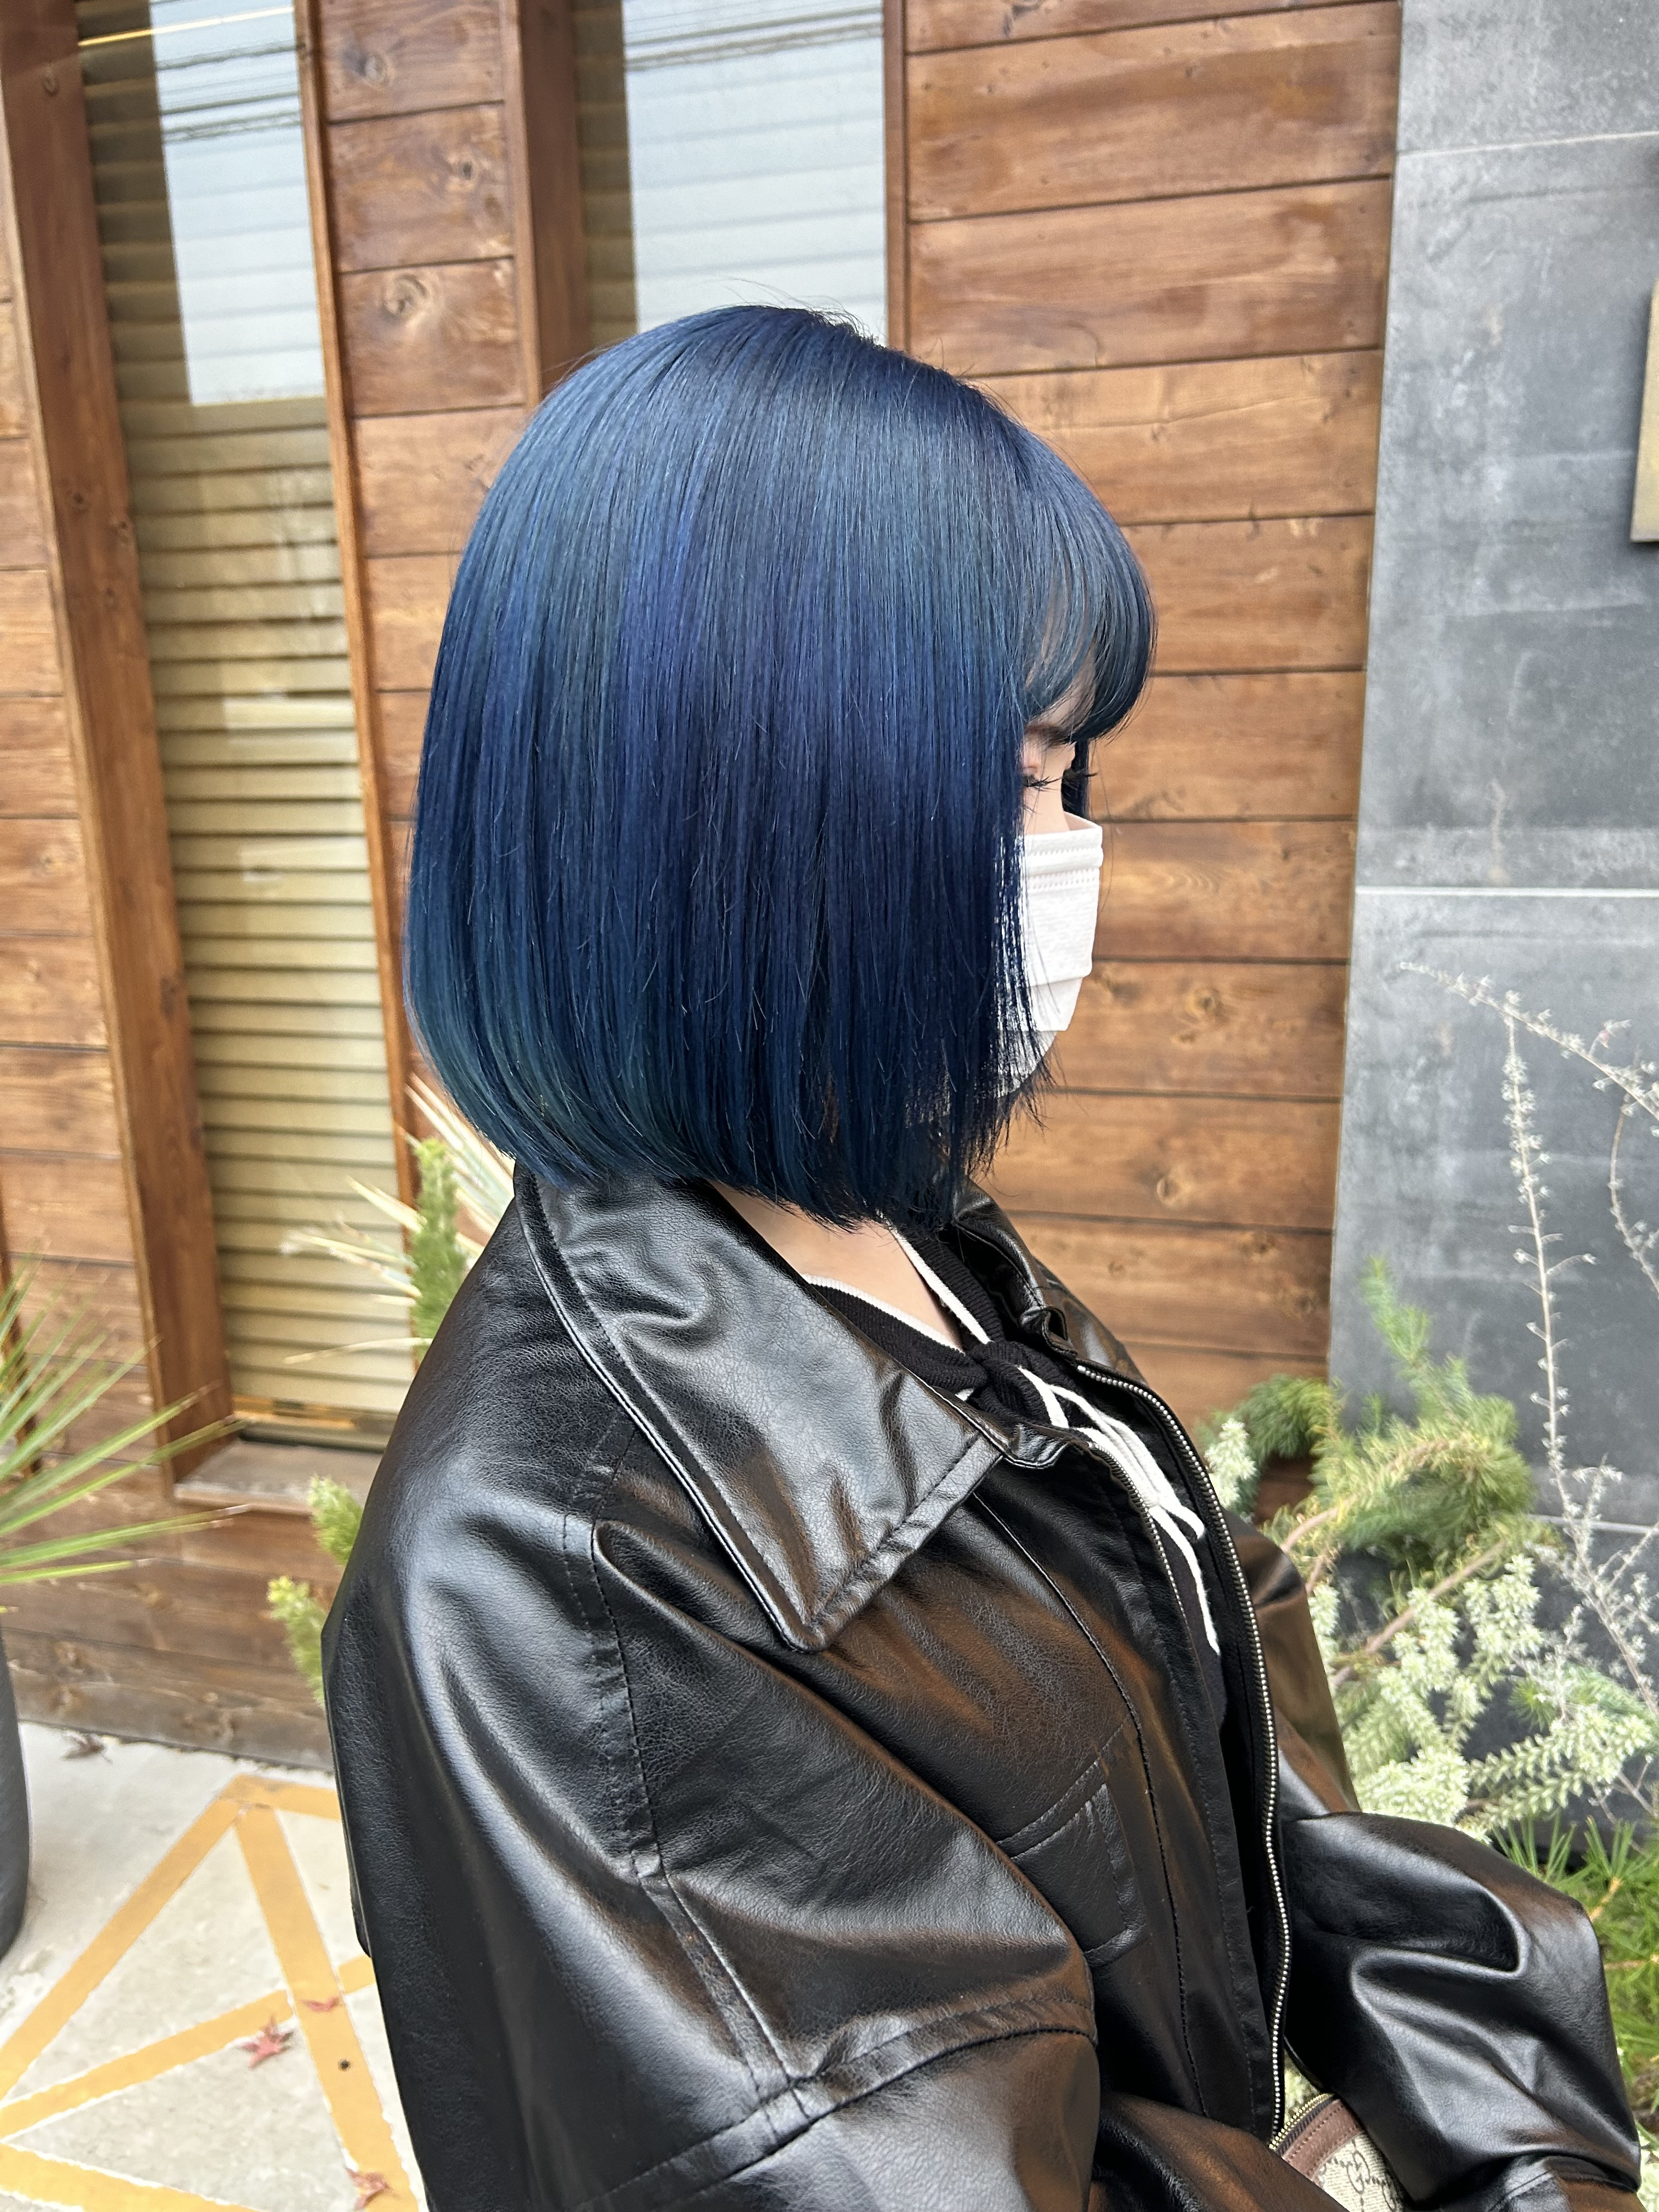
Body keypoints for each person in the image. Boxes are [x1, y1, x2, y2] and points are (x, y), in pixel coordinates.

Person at [323, 307, 1638, 2212]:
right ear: (740, 824)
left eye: (1072, 776)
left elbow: (1219, 1698)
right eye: (1023, 776)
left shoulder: (904, 1238)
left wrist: (1510, 2129)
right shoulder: (564, 1591)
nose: (1072, 847)